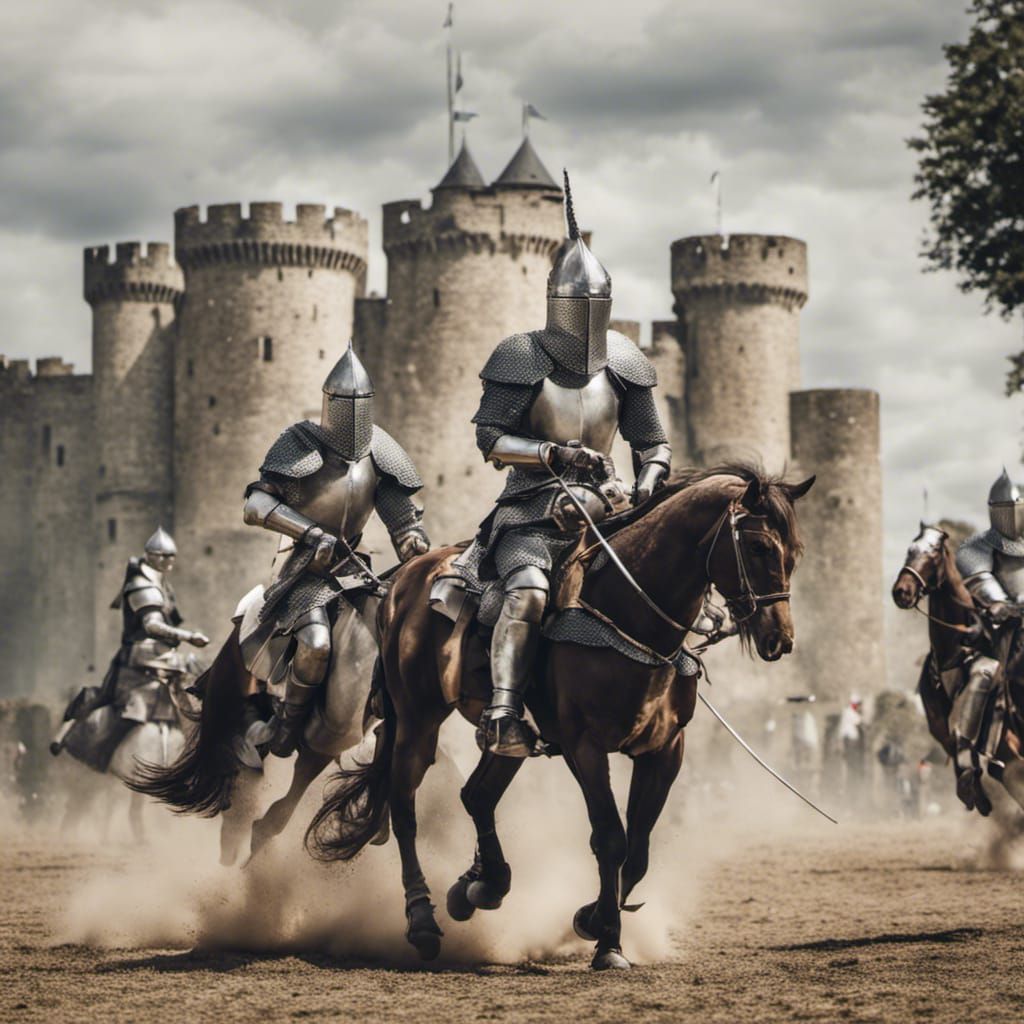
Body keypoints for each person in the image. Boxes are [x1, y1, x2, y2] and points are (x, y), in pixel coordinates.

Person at [466, 172, 671, 758]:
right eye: (577, 304)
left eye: (595, 304)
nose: (586, 316)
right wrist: (551, 453)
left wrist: (648, 487)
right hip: (531, 512)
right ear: (557, 303)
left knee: (663, 584)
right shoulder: (521, 356)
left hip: (608, 507)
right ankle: (505, 713)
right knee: (528, 592)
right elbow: (489, 437)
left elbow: (652, 444)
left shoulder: (627, 362)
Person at [241, 344, 430, 757]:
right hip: (303, 569)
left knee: (403, 633)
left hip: (354, 569)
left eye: (361, 404)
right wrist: (309, 533)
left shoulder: (380, 450)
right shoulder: (300, 442)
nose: (354, 414)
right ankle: (288, 723)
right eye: (347, 404)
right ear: (331, 405)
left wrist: (411, 539)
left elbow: (400, 517)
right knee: (317, 643)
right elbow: (255, 507)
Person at [53, 527, 209, 768]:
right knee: (128, 713)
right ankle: (89, 745)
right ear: (150, 555)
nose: (168, 561)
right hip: (139, 659)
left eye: (171, 556)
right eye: (162, 555)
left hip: (168, 658)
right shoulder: (140, 585)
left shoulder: (164, 586)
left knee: (200, 687)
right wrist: (189, 636)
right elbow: (152, 625)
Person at [953, 467, 1024, 809]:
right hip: (1000, 637)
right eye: (1000, 509)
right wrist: (1003, 606)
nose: (1008, 516)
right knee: (982, 676)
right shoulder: (976, 547)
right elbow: (983, 584)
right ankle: (968, 763)